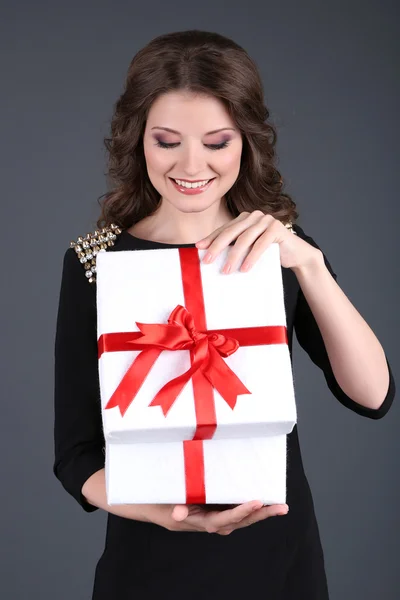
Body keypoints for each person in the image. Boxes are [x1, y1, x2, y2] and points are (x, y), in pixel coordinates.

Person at [53, 30, 395, 600]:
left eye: (217, 142)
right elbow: (75, 457)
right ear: (139, 141)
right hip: (149, 561)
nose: (192, 165)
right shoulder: (94, 262)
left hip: (278, 556)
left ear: (247, 142)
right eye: (167, 141)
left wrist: (309, 266)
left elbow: (373, 396)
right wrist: (168, 514)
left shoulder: (279, 249)